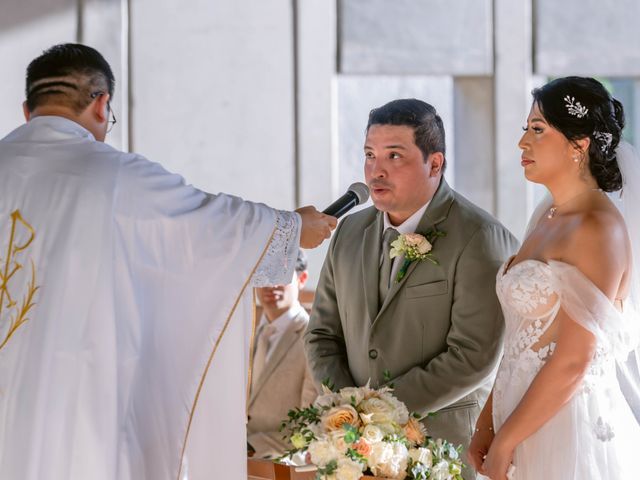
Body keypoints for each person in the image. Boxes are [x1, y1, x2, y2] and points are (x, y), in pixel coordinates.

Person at [0, 43, 336, 480]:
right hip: (75, 411)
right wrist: (290, 228)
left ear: (28, 110)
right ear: (102, 105)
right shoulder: (113, 176)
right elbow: (209, 226)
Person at [305, 98, 519, 478]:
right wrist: (347, 413)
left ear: (434, 163)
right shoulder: (349, 233)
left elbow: (474, 355)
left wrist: (377, 411)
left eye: (394, 156)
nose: (376, 171)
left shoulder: (480, 238)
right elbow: (321, 334)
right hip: (353, 452)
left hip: (441, 451)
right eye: (370, 155)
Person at [469, 76, 640, 480]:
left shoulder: (598, 227)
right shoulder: (549, 217)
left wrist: (507, 439)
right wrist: (487, 423)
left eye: (538, 130)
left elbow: (574, 360)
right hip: (519, 412)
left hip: (567, 427)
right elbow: (520, 342)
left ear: (579, 145)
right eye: (525, 129)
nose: (522, 143)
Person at [247, 250, 318, 459]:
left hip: (280, 467)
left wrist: (249, 445)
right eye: (263, 275)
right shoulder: (247, 334)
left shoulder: (313, 337)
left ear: (302, 278)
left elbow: (309, 424)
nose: (271, 284)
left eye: (281, 274)